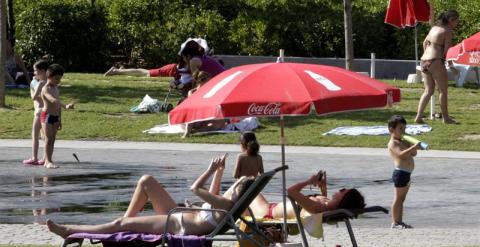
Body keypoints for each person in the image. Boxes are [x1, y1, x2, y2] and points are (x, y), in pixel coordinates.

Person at [46, 155, 255, 238]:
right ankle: (124, 227)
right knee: (146, 181)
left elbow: (195, 188)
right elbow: (212, 194)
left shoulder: (227, 204)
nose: (232, 185)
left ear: (238, 191)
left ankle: (70, 230)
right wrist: (219, 171)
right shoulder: (225, 203)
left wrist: (210, 170)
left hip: (176, 223)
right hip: (178, 215)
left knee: (121, 222)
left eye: (235, 184)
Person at [249, 170, 365, 219]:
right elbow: (322, 200)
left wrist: (309, 182)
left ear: (343, 200)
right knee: (244, 186)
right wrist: (322, 188)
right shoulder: (326, 205)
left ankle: (230, 218)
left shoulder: (317, 208)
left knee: (247, 184)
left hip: (267, 212)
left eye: (343, 190)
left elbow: (291, 191)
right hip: (271, 208)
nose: (340, 189)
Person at [415, 10, 460, 124]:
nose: (458, 22)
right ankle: (446, 118)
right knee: (443, 91)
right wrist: (451, 66)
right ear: (451, 20)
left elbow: (425, 43)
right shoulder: (448, 31)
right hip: (435, 61)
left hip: (424, 60)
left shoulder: (434, 28)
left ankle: (418, 117)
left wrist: (427, 56)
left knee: (428, 91)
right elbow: (447, 52)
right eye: (457, 20)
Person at [387, 115, 421, 229]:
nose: (403, 131)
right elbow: (401, 155)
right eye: (400, 128)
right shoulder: (393, 143)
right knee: (398, 198)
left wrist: (414, 146)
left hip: (407, 173)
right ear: (392, 129)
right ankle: (395, 222)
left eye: (404, 128)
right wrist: (412, 147)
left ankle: (399, 221)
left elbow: (413, 154)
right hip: (400, 173)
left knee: (402, 199)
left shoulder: (403, 141)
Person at [41, 64, 74, 169]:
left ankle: (48, 159)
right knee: (48, 139)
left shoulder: (56, 88)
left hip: (55, 117)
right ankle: (48, 161)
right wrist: (66, 106)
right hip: (47, 116)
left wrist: (60, 119)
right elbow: (53, 100)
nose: (58, 80)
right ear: (49, 76)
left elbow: (57, 106)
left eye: (60, 78)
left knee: (53, 139)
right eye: (56, 78)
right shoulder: (45, 89)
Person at [23, 60, 49, 165]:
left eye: (35, 71)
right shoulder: (43, 83)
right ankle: (41, 158)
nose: (34, 73)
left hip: (40, 112)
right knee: (41, 135)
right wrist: (34, 83)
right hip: (42, 112)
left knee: (38, 135)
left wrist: (35, 85)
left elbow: (34, 97)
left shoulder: (43, 83)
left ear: (42, 71)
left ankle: (38, 157)